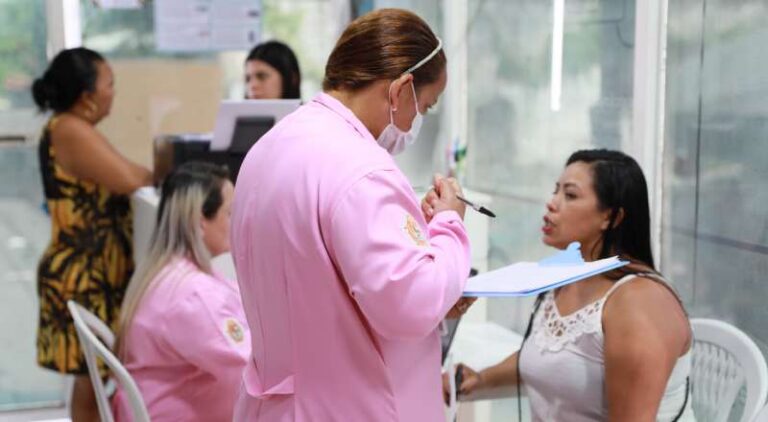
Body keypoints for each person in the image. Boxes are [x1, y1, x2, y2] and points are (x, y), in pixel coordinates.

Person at [231, 8, 475, 421]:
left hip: (275, 401)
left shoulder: (271, 146)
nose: (418, 120)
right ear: (401, 90)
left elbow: (317, 279)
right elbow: (411, 303)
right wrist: (448, 225)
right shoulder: (362, 169)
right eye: (426, 107)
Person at [441, 149, 694, 421]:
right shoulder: (567, 280)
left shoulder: (639, 302)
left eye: (570, 195)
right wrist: (478, 380)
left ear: (612, 217)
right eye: (556, 191)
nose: (552, 203)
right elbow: (553, 356)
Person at [31, 47, 153, 422]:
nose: (113, 92)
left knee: (93, 380)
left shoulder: (73, 128)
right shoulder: (70, 129)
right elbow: (131, 178)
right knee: (91, 385)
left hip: (94, 273)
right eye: (109, 84)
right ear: (86, 96)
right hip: (83, 276)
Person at [114, 162, 249, 421]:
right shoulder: (192, 294)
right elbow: (249, 367)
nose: (237, 222)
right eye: (230, 213)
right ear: (200, 223)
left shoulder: (166, 270)